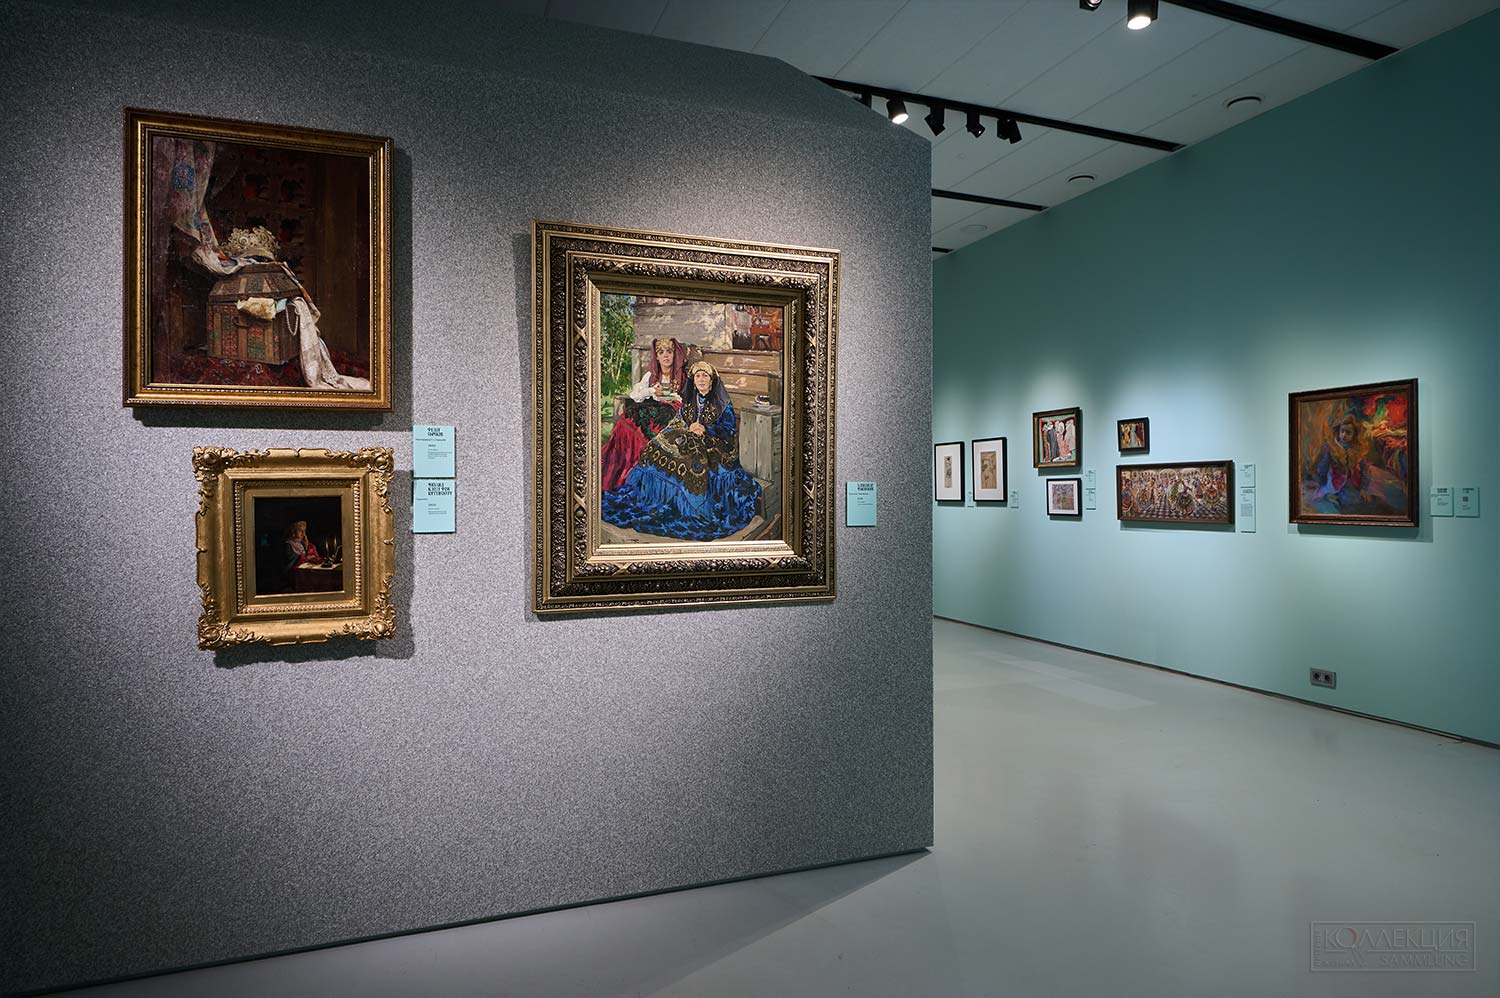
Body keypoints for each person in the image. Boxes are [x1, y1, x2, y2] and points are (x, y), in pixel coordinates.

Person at [602, 360, 762, 541]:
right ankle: (656, 496)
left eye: (705, 376)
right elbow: (678, 421)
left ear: (712, 380)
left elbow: (729, 431)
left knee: (693, 459)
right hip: (691, 436)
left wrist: (706, 429)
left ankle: (694, 507)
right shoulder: (691, 401)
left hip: (717, 445)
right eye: (698, 376)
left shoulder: (722, 403)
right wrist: (684, 429)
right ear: (694, 381)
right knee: (656, 444)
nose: (701, 379)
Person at [601, 337, 687, 490]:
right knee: (628, 417)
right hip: (655, 407)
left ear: (674, 354)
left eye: (669, 352)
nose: (666, 356)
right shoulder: (651, 375)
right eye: (661, 352)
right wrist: (651, 390)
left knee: (650, 421)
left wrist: (675, 397)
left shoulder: (681, 375)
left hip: (673, 411)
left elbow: (688, 398)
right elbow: (635, 395)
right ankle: (625, 459)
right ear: (657, 357)